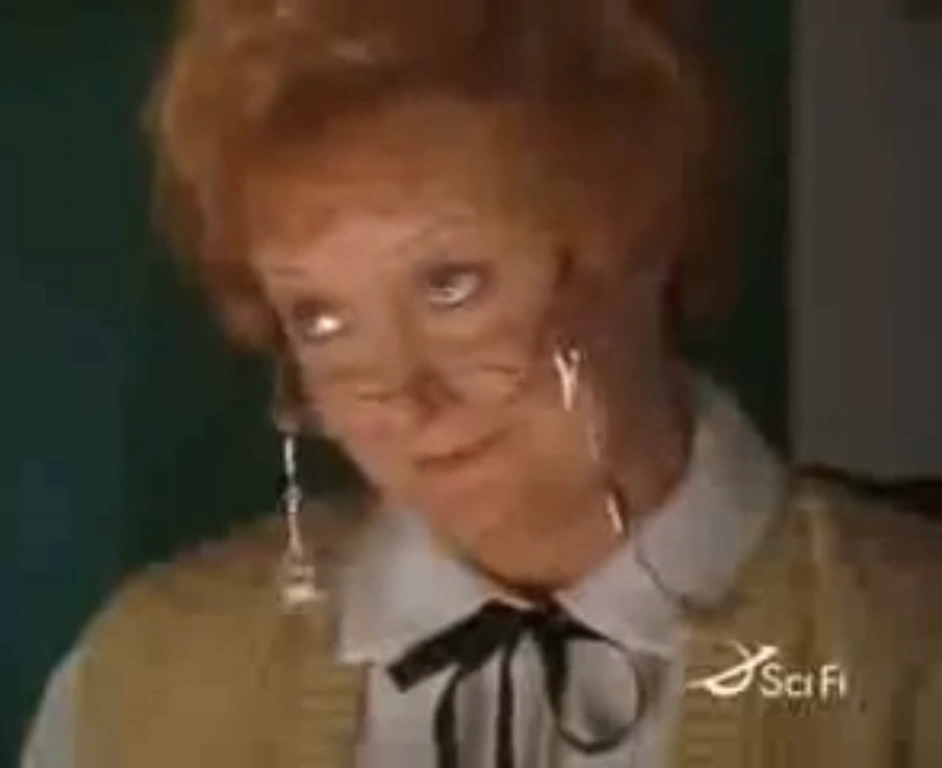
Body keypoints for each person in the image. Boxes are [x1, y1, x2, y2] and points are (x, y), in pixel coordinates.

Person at [20, 0, 942, 766]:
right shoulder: (144, 681)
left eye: (452, 284)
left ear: (642, 236)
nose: (405, 396)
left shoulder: (909, 657)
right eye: (322, 319)